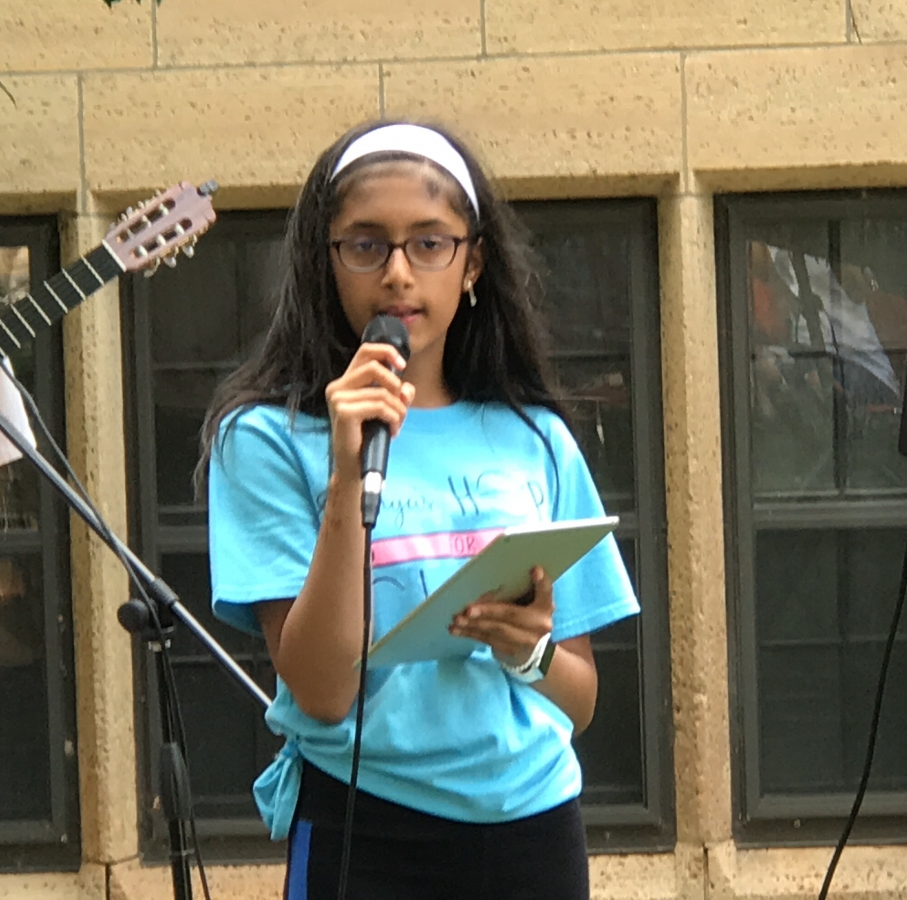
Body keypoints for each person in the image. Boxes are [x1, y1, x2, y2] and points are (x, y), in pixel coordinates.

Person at [198, 119, 639, 899]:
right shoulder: (265, 440)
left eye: (430, 243)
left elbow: (581, 702)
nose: (399, 273)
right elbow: (323, 691)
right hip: (365, 830)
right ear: (324, 263)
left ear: (472, 264)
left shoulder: (534, 437)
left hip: (533, 828)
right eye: (366, 245)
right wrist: (345, 477)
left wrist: (526, 652)